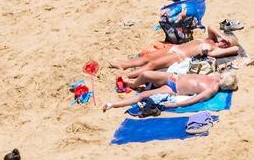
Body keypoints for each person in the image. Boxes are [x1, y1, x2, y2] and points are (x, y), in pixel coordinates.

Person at [112, 26, 241, 73]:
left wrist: (230, 43)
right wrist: (223, 36)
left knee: (153, 64)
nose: (223, 43)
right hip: (174, 48)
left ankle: (128, 75)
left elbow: (235, 49)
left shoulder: (216, 50)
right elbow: (211, 26)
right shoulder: (211, 40)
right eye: (224, 41)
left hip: (180, 56)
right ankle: (123, 65)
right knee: (147, 57)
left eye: (226, 43)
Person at [101, 71, 239, 111]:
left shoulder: (212, 89)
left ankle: (112, 104)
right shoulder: (215, 77)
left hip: (173, 88)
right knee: (145, 75)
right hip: (173, 76)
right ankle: (132, 85)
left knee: (143, 95)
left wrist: (173, 105)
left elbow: (193, 100)